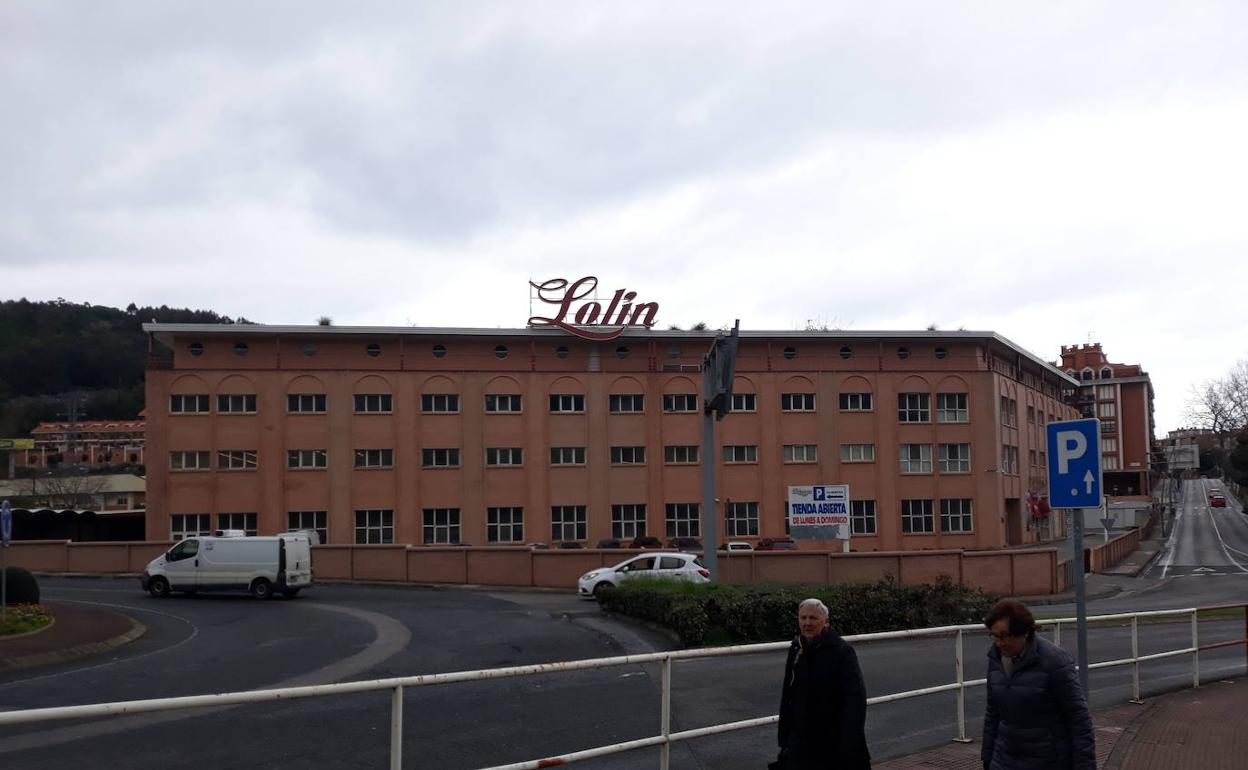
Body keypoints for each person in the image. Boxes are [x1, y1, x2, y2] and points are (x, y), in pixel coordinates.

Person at [982, 599, 1095, 770]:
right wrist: (988, 757)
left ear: (1024, 632)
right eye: (994, 636)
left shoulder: (1054, 661)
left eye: (1005, 636)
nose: (999, 643)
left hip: (1046, 761)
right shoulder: (996, 660)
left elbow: (1079, 719)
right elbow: (993, 713)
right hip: (1004, 760)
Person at [773, 598, 871, 769]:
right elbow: (788, 693)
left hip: (831, 736)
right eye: (803, 618)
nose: (807, 623)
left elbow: (855, 699)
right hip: (800, 736)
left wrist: (849, 742)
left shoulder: (842, 652)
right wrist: (784, 738)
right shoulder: (796, 649)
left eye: (813, 618)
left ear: (826, 622)